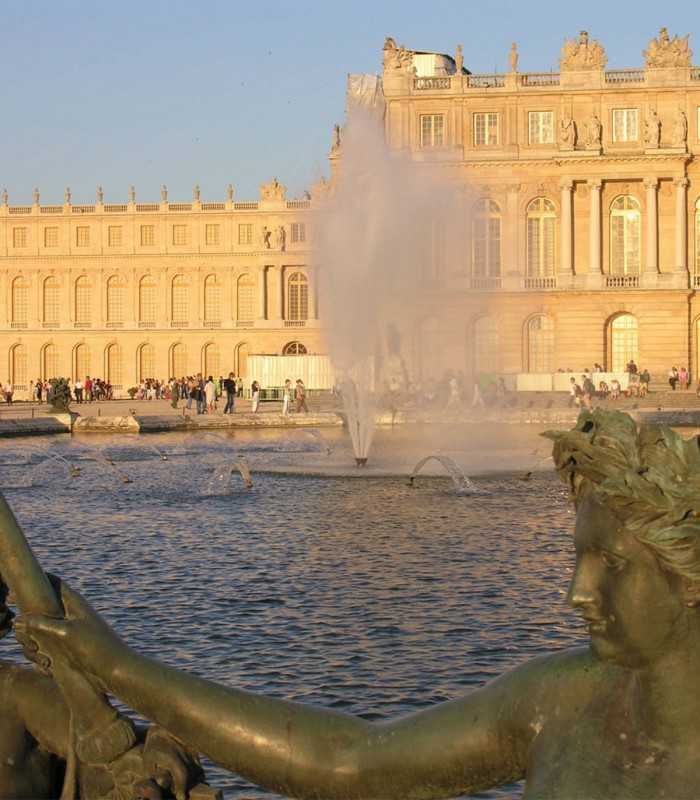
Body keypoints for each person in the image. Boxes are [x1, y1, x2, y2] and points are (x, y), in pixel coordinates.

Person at [18, 409, 700, 799]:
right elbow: (348, 760)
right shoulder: (559, 701)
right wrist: (119, 667)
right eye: (578, 557)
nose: (576, 592)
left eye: (610, 564)